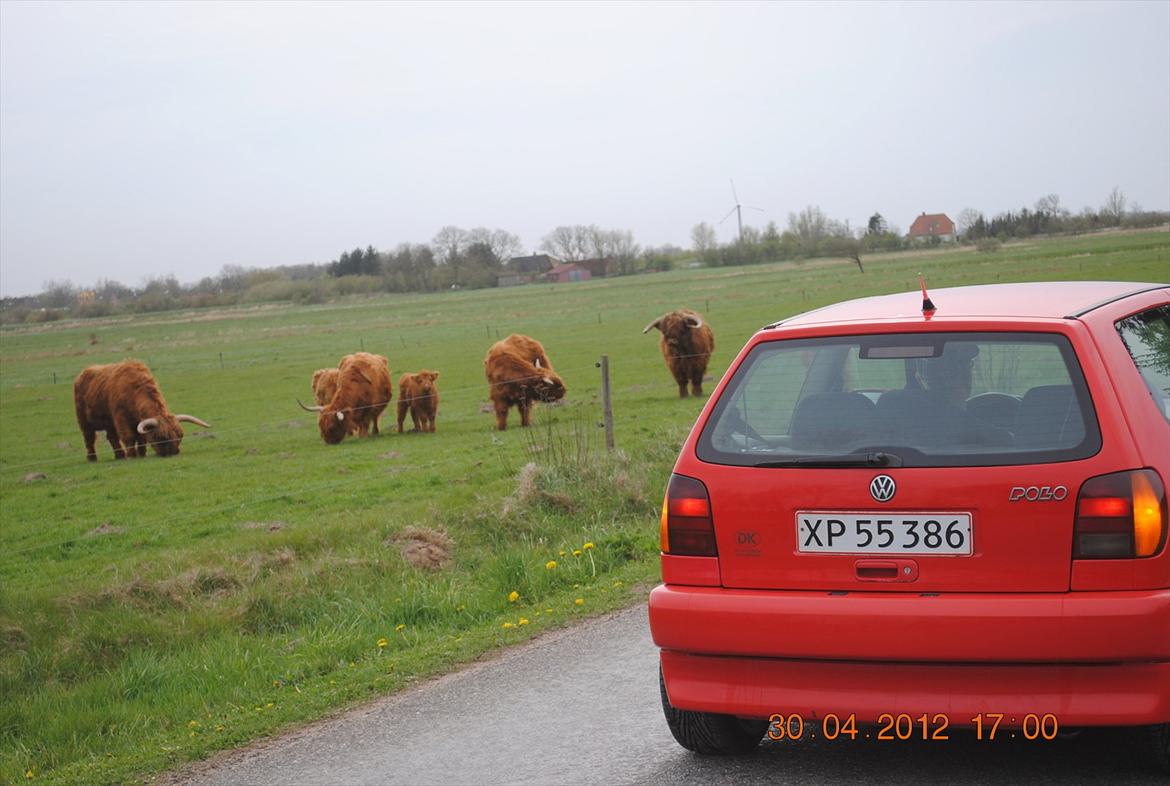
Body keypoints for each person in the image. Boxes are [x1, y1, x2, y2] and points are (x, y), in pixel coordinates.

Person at [918, 343, 1013, 446]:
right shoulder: (956, 421)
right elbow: (1007, 441)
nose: (964, 373)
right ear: (936, 374)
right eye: (952, 366)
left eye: (966, 364)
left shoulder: (910, 414)